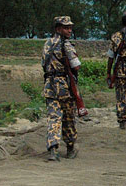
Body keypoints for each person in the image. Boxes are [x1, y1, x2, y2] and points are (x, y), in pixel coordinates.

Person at [42, 16, 81, 161]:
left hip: (49, 86)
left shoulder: (47, 44)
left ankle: (53, 150)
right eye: (66, 28)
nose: (69, 30)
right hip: (64, 86)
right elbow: (76, 65)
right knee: (69, 117)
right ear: (58, 29)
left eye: (70, 27)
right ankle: (70, 148)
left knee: (54, 117)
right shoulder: (67, 45)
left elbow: (43, 64)